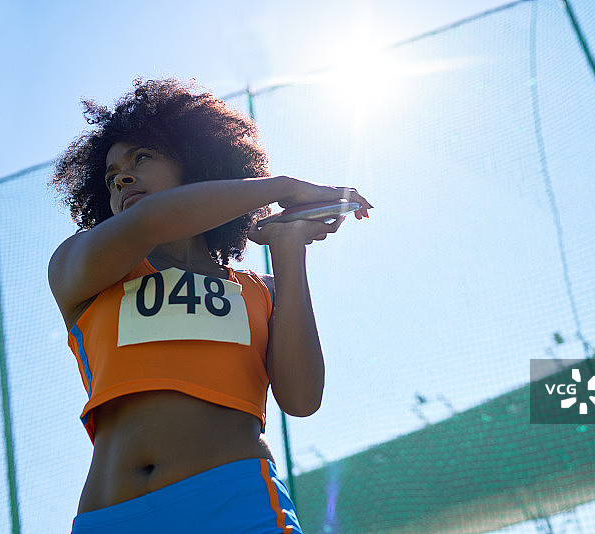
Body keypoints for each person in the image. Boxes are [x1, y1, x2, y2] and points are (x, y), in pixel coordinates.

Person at [49, 78, 371, 533]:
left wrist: (287, 246)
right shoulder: (79, 267)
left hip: (239, 506)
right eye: (110, 175)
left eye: (142, 157)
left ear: (198, 164)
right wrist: (280, 187)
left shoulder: (263, 290)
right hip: (112, 517)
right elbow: (150, 221)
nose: (121, 177)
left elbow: (301, 400)